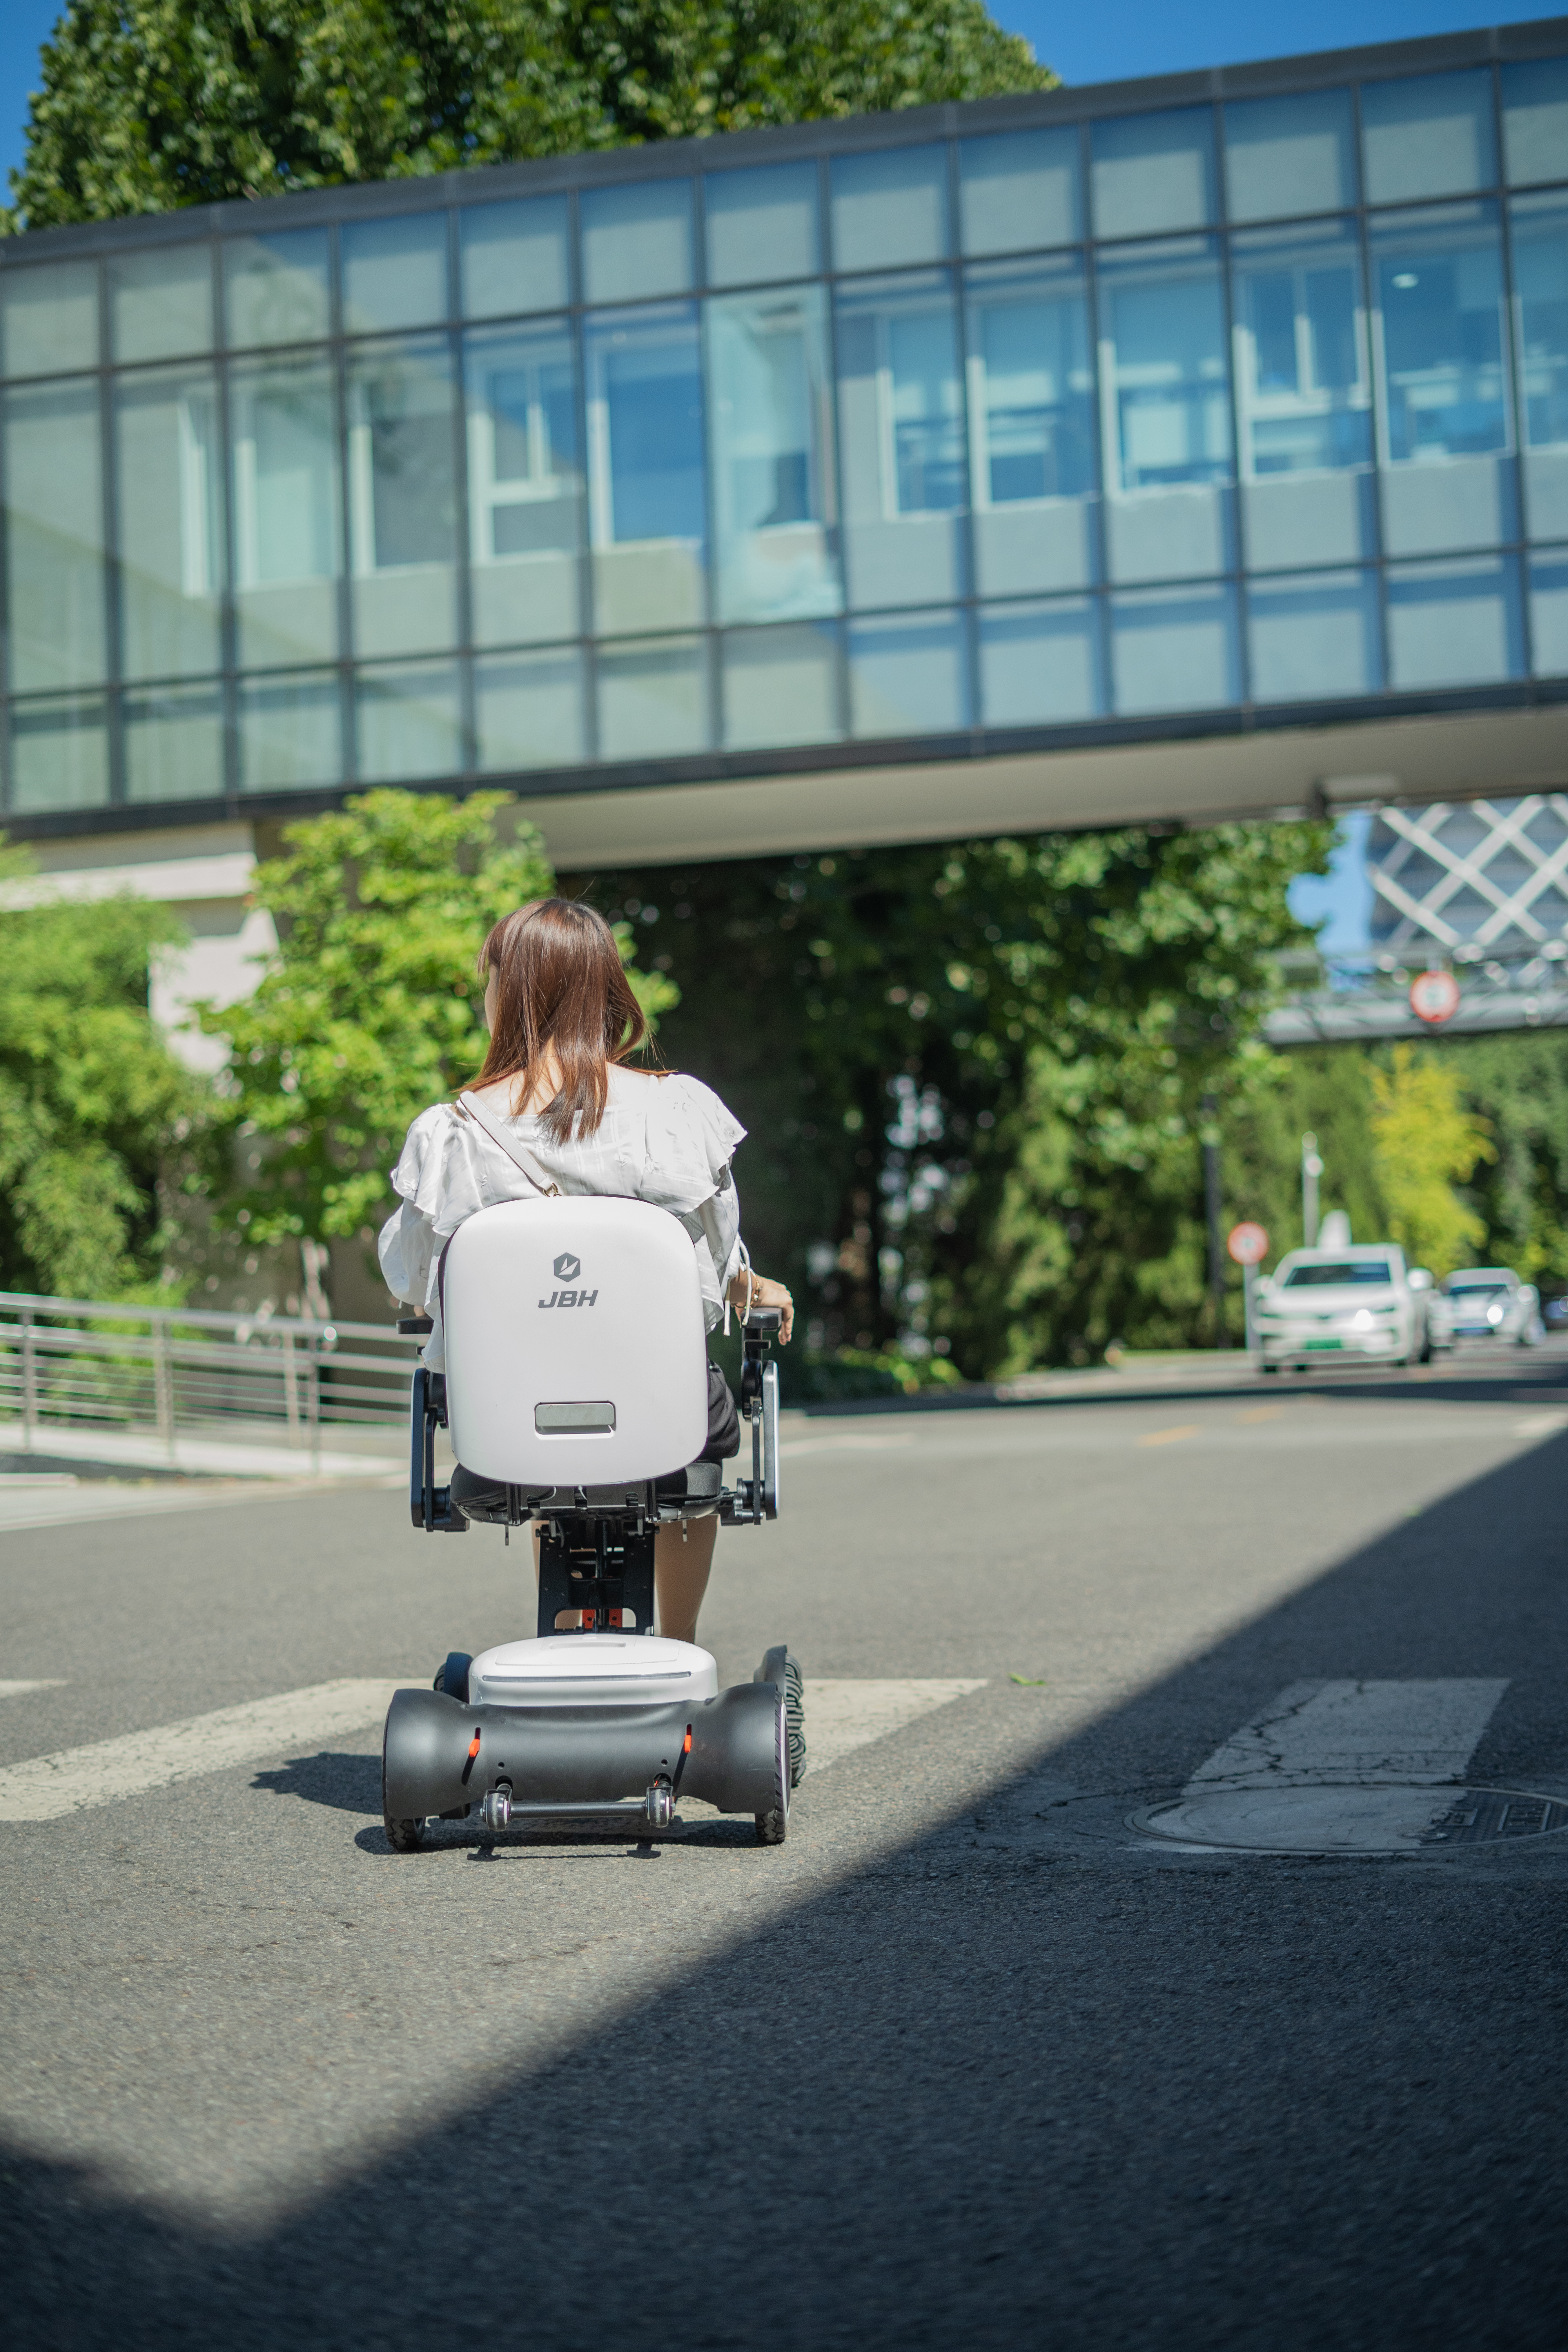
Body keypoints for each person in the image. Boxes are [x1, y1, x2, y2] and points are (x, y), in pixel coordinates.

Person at [377, 897, 793, 1645]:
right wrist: (753, 1287)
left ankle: (565, 1648)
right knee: (685, 1462)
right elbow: (717, 1253)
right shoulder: (675, 1111)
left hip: (508, 1420)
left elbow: (412, 1276)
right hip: (662, 1411)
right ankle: (680, 1648)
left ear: (507, 992)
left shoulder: (454, 1132)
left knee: (544, 1430)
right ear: (606, 990)